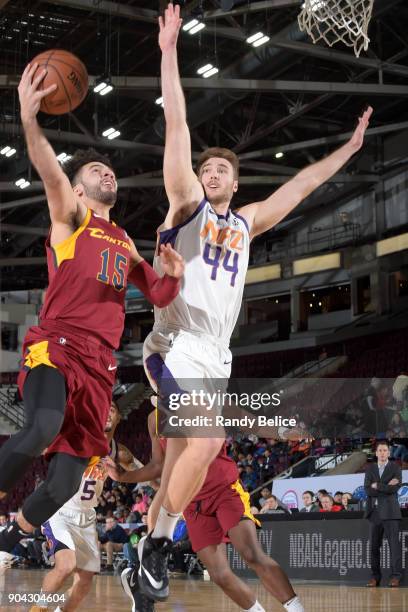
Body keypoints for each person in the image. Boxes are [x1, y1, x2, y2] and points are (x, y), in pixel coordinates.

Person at [139, 3, 373, 602]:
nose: (212, 171)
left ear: (236, 182)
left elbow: (302, 185)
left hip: (217, 355)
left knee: (202, 447)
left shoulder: (245, 223)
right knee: (210, 442)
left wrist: (348, 150)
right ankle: (157, 545)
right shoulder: (187, 204)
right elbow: (178, 128)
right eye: (208, 167)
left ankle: (153, 547)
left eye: (223, 168)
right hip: (176, 343)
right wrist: (168, 51)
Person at [0, 61, 184, 569]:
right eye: (96, 172)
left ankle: (7, 542)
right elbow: (48, 170)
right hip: (57, 344)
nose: (108, 173)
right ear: (79, 190)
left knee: (63, 481)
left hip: (100, 365)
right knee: (40, 427)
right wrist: (30, 120)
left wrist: (174, 272)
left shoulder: (124, 240)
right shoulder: (72, 217)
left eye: (111, 171)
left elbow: (161, 295)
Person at [108, 409, 305, 612]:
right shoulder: (153, 418)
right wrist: (122, 477)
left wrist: (282, 432)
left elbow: (250, 422)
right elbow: (159, 465)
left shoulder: (203, 395)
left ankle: (297, 609)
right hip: (192, 502)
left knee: (250, 552)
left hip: (224, 489)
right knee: (219, 574)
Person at [29, 402, 134, 612]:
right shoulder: (78, 437)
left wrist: (121, 475)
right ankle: (38, 608)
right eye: (105, 407)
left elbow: (144, 476)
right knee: (65, 565)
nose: (108, 411)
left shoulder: (119, 453)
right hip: (60, 510)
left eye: (113, 408)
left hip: (86, 517)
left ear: (119, 417)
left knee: (85, 582)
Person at [364, 440, 402, 588]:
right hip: (374, 513)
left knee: (394, 547)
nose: (382, 453)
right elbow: (367, 489)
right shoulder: (370, 468)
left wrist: (378, 485)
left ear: (389, 452)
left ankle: (395, 577)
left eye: (385, 450)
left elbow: (394, 489)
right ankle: (375, 577)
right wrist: (385, 486)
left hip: (391, 512)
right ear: (376, 452)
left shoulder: (395, 468)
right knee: (374, 547)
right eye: (380, 450)